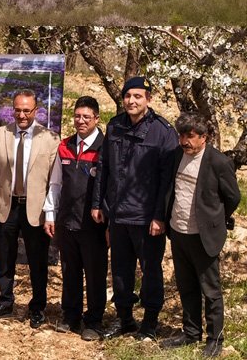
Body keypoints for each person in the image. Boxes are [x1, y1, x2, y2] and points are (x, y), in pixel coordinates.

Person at [92, 76, 179, 341]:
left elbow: (168, 180)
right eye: (128, 96)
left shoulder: (163, 132)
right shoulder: (115, 126)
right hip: (118, 215)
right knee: (119, 271)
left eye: (137, 96)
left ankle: (150, 322)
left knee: (151, 270)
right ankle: (125, 318)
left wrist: (159, 216)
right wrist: (98, 204)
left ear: (148, 99)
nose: (131, 101)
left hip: (146, 219)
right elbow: (104, 168)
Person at [162, 113, 241, 357]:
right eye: (181, 135)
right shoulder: (177, 155)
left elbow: (233, 197)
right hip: (179, 231)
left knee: (211, 290)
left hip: (203, 236)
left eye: (190, 136)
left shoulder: (218, 162)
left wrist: (214, 219)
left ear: (204, 137)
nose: (184, 141)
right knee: (186, 286)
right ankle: (191, 333)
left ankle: (215, 339)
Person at [0, 89, 59, 328]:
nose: (22, 115)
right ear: (12, 109)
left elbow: (54, 181)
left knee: (37, 260)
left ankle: (37, 307)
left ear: (36, 111)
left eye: (27, 110)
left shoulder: (50, 138)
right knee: (5, 258)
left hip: (35, 209)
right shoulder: (0, 135)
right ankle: (5, 302)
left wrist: (51, 212)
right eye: (17, 110)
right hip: (7, 206)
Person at [43, 96, 108, 341]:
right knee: (70, 271)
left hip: (94, 224)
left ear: (97, 119)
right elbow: (56, 183)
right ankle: (71, 315)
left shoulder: (106, 147)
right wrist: (51, 213)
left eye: (86, 117)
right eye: (77, 116)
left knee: (94, 273)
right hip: (67, 220)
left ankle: (94, 320)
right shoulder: (65, 146)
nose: (81, 121)